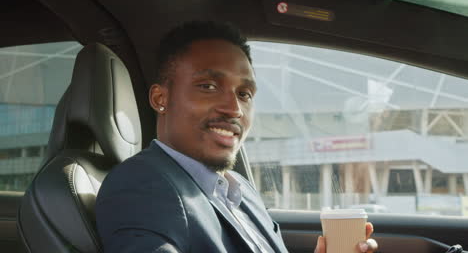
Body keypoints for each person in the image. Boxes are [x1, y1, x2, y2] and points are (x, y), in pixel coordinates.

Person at [96, 20, 377, 253]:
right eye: (207, 86)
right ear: (161, 98)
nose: (234, 109)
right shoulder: (141, 186)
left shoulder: (239, 190)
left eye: (244, 94)